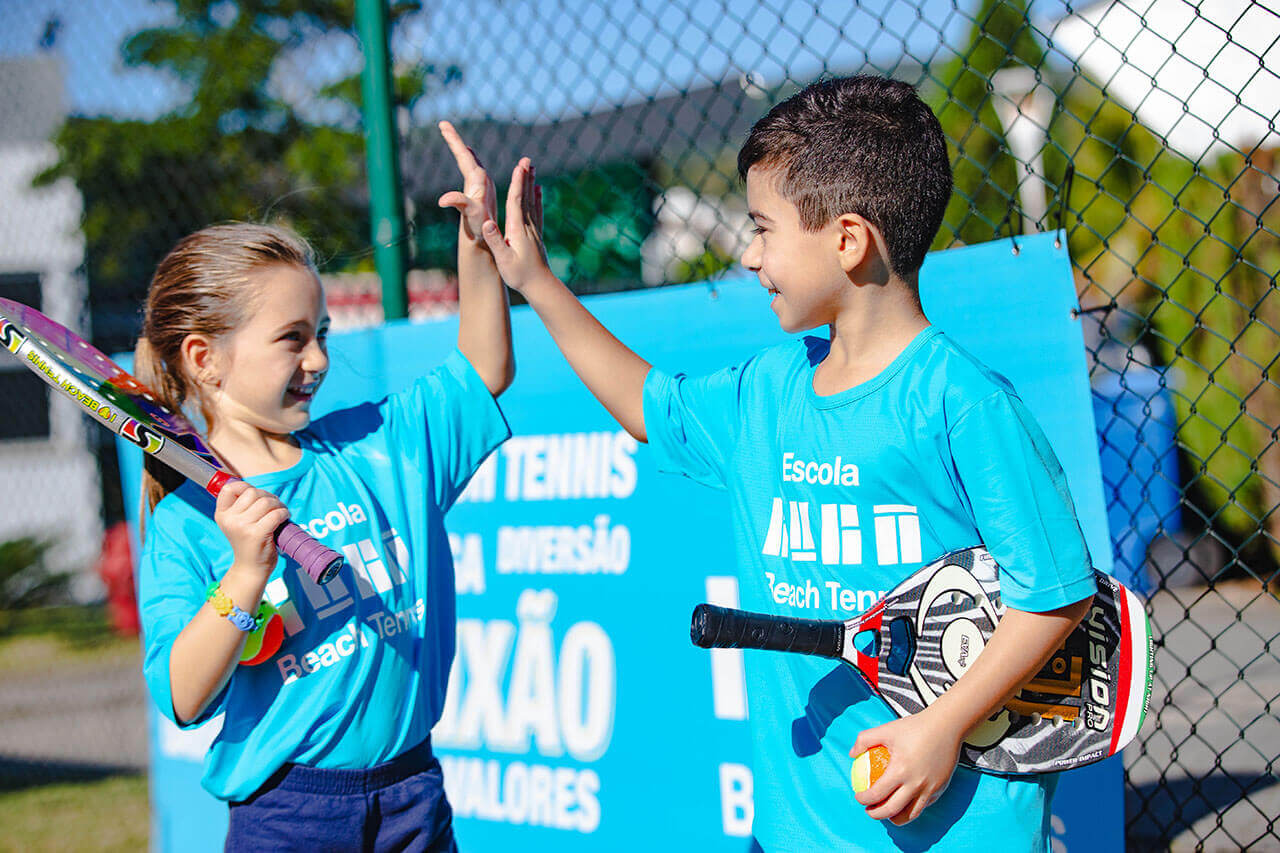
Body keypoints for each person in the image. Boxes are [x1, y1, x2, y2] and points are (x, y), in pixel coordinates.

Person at [474, 75, 1098, 851]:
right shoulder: (765, 392)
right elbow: (648, 405)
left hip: (963, 833)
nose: (749, 253)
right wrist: (534, 279)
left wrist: (942, 727)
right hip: (795, 831)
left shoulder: (963, 402)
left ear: (847, 240)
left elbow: (1056, 594)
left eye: (764, 229)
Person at [135, 123, 521, 852]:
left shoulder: (378, 446)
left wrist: (476, 244)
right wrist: (247, 573)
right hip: (289, 816)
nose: (317, 357)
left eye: (322, 331)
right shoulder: (188, 521)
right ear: (204, 358)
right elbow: (184, 695)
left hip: (413, 794)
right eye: (291, 338)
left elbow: (482, 371)